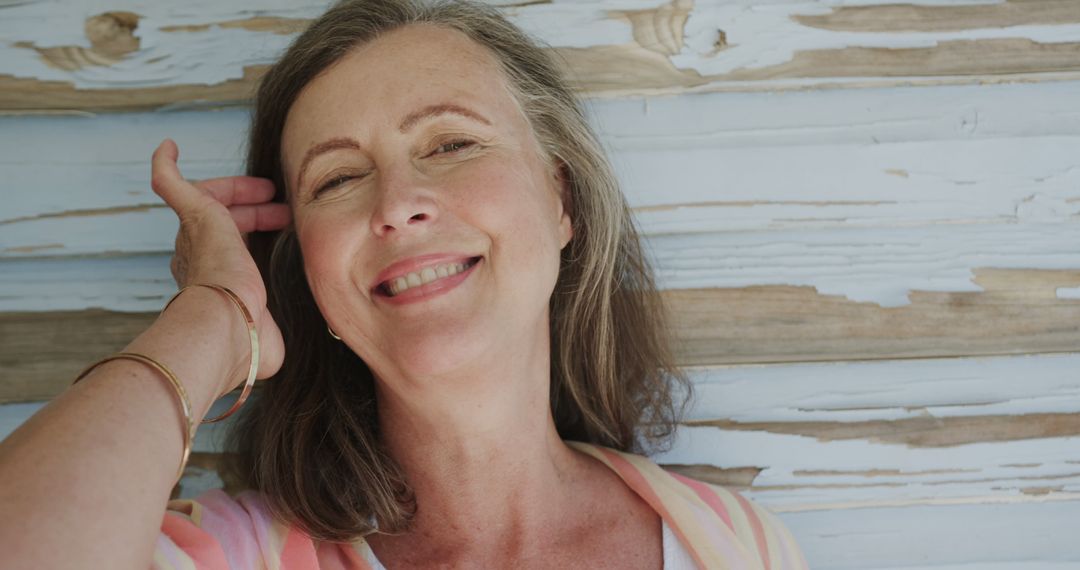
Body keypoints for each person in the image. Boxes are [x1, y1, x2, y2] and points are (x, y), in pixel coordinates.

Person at [0, 0, 807, 568]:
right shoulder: (234, 557)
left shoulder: (733, 547)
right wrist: (215, 314)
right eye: (339, 179)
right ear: (307, 270)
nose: (398, 206)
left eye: (451, 144)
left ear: (560, 200)